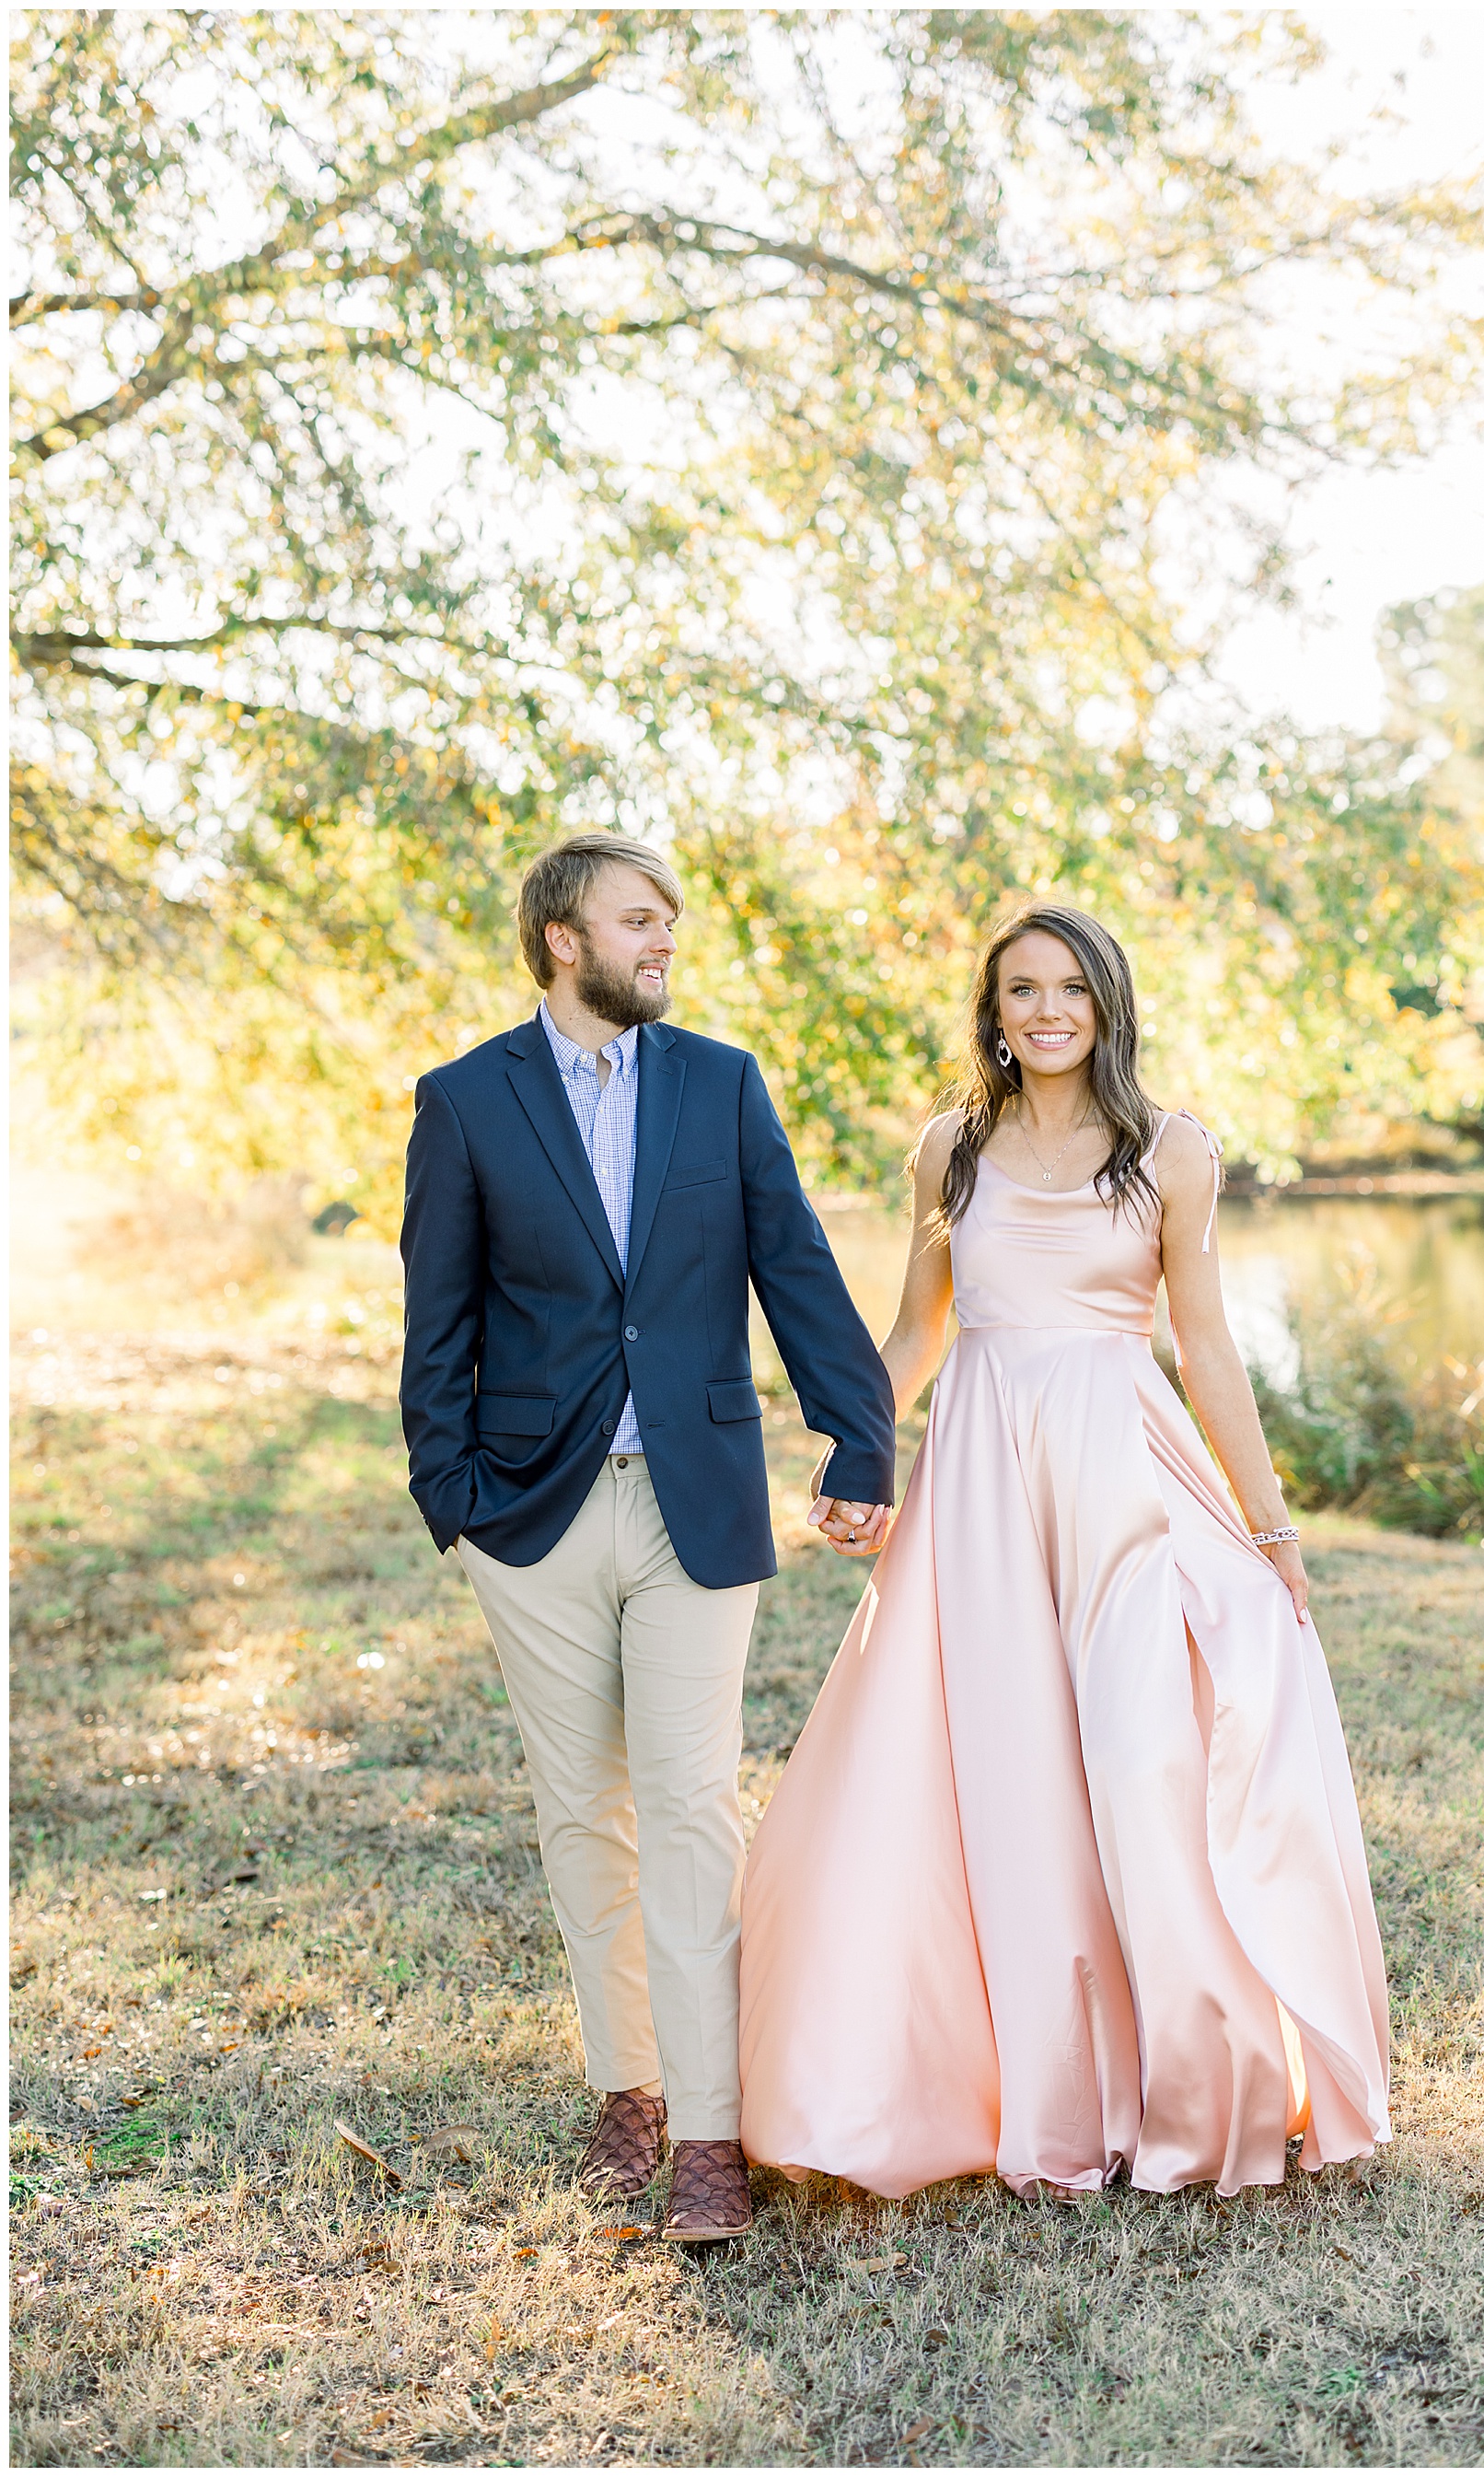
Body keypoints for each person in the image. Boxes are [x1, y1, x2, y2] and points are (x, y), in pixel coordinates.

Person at [739, 904, 1391, 2200]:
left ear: (1106, 1004)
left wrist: (1268, 1527)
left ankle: (1189, 2079)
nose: (1044, 1010)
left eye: (1069, 988)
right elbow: (918, 1331)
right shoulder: (952, 1150)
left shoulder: (1172, 1151)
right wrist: (857, 1450)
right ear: (993, 1008)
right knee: (998, 1771)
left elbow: (1206, 1350)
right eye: (1020, 988)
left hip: (1121, 1474)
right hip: (980, 1473)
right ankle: (1010, 2085)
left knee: (1142, 1758)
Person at [400, 832, 895, 2240]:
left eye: (669, 919)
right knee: (584, 1813)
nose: (663, 939)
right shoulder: (466, 1100)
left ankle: (713, 2131)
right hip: (533, 1516)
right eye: (638, 919)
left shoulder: (720, 1084)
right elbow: (435, 1318)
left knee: (687, 1801)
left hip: (697, 1504)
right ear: (564, 938)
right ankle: (629, 2089)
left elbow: (791, 1258)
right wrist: (459, 1502)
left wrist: (856, 1432)